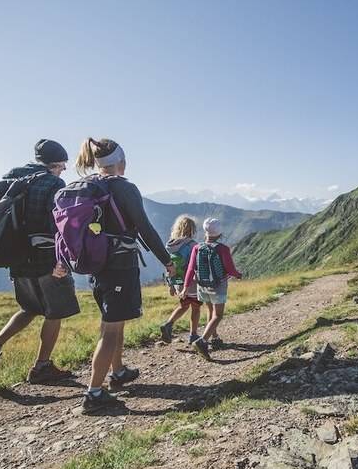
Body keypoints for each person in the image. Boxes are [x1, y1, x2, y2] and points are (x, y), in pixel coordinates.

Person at [73, 137, 175, 414]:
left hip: (95, 265)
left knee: (112, 321)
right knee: (111, 328)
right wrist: (167, 260)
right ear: (120, 160)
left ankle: (118, 371)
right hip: (119, 265)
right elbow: (144, 228)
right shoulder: (124, 188)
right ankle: (94, 393)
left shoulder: (88, 187)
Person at [0, 139, 80, 384]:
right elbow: (58, 225)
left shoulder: (11, 178)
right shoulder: (52, 183)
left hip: (16, 258)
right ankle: (42, 366)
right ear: (55, 164)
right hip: (46, 258)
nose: (63, 170)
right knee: (56, 311)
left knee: (29, 308)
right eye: (62, 166)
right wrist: (63, 259)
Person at [180, 218, 242, 361]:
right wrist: (238, 275)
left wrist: (185, 288)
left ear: (205, 231)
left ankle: (214, 338)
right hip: (217, 286)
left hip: (202, 285)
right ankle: (202, 341)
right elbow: (230, 269)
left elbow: (190, 269)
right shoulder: (223, 249)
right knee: (218, 315)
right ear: (220, 233)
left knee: (210, 311)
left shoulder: (197, 247)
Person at [159, 215, 202, 343]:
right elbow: (197, 265)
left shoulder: (170, 245)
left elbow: (168, 267)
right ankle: (193, 335)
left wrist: (170, 285)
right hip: (192, 283)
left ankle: (168, 324)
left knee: (183, 305)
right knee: (195, 307)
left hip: (178, 283)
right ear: (192, 229)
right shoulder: (193, 245)